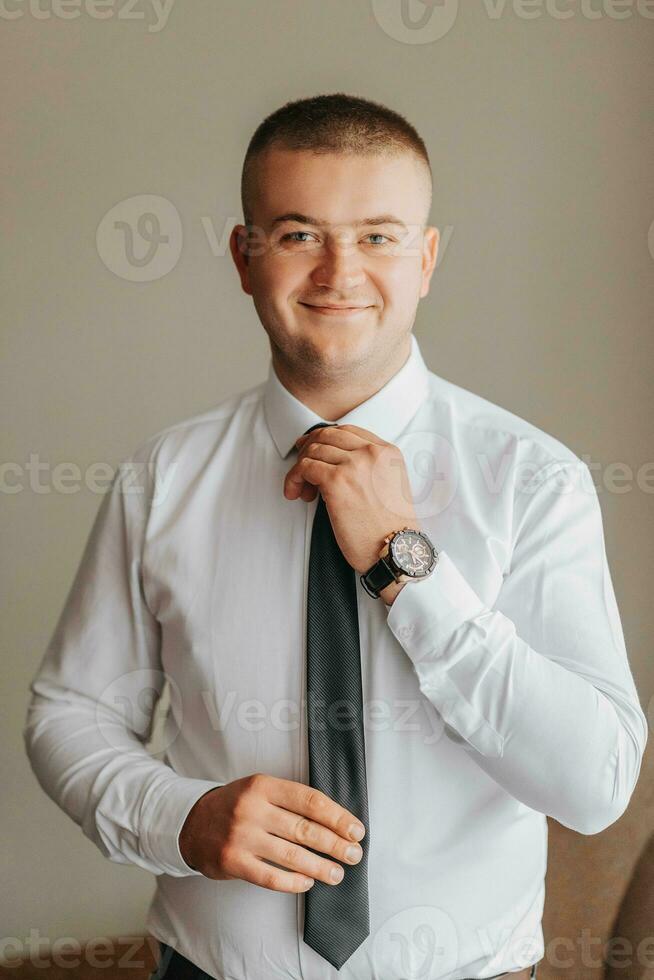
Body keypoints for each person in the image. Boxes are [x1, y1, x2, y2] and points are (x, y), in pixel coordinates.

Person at [24, 93, 647, 980]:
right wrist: (177, 817)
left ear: (427, 259)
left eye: (380, 235)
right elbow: (70, 712)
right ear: (245, 259)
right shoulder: (162, 477)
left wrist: (406, 561)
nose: (339, 272)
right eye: (298, 234)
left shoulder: (533, 480)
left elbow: (594, 784)